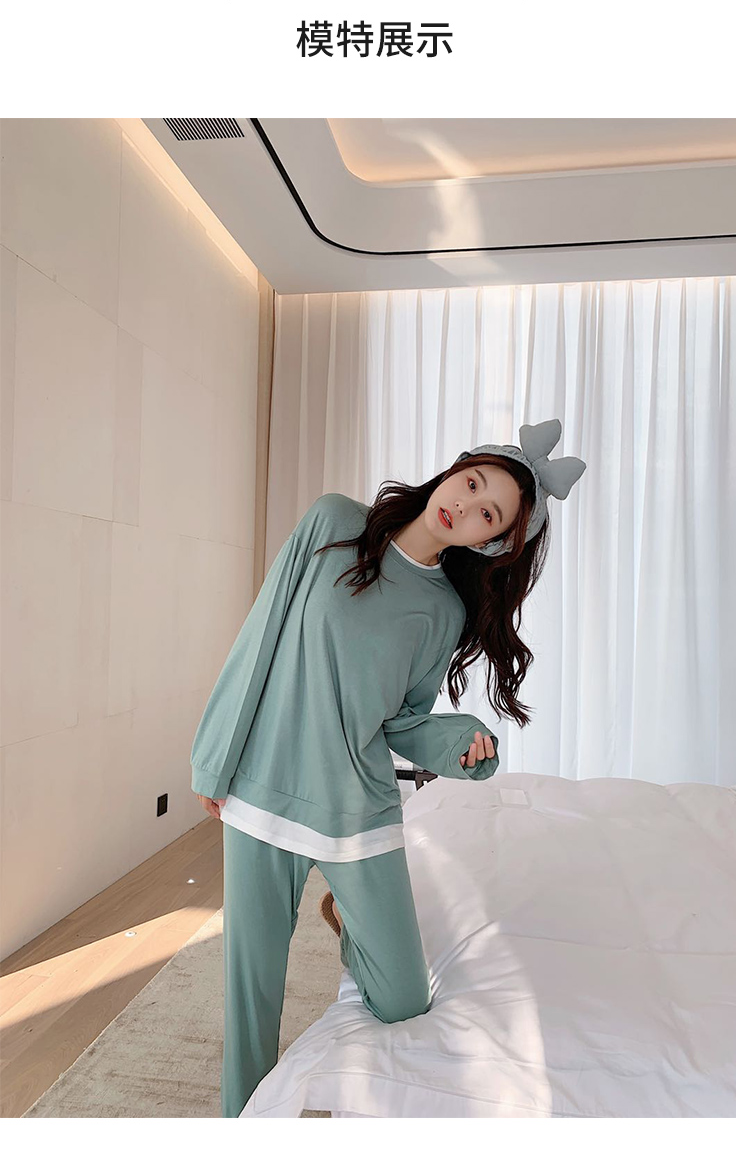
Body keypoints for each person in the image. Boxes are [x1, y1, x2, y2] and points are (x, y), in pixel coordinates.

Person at [190, 418, 586, 1116]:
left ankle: (348, 917)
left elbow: (404, 720)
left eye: (488, 514)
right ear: (454, 470)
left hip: (356, 804)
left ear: (491, 542)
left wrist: (460, 742)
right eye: (472, 484)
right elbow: (260, 636)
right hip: (264, 788)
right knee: (252, 998)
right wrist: (214, 760)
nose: (466, 505)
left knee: (403, 999)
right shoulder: (333, 522)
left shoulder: (443, 611)